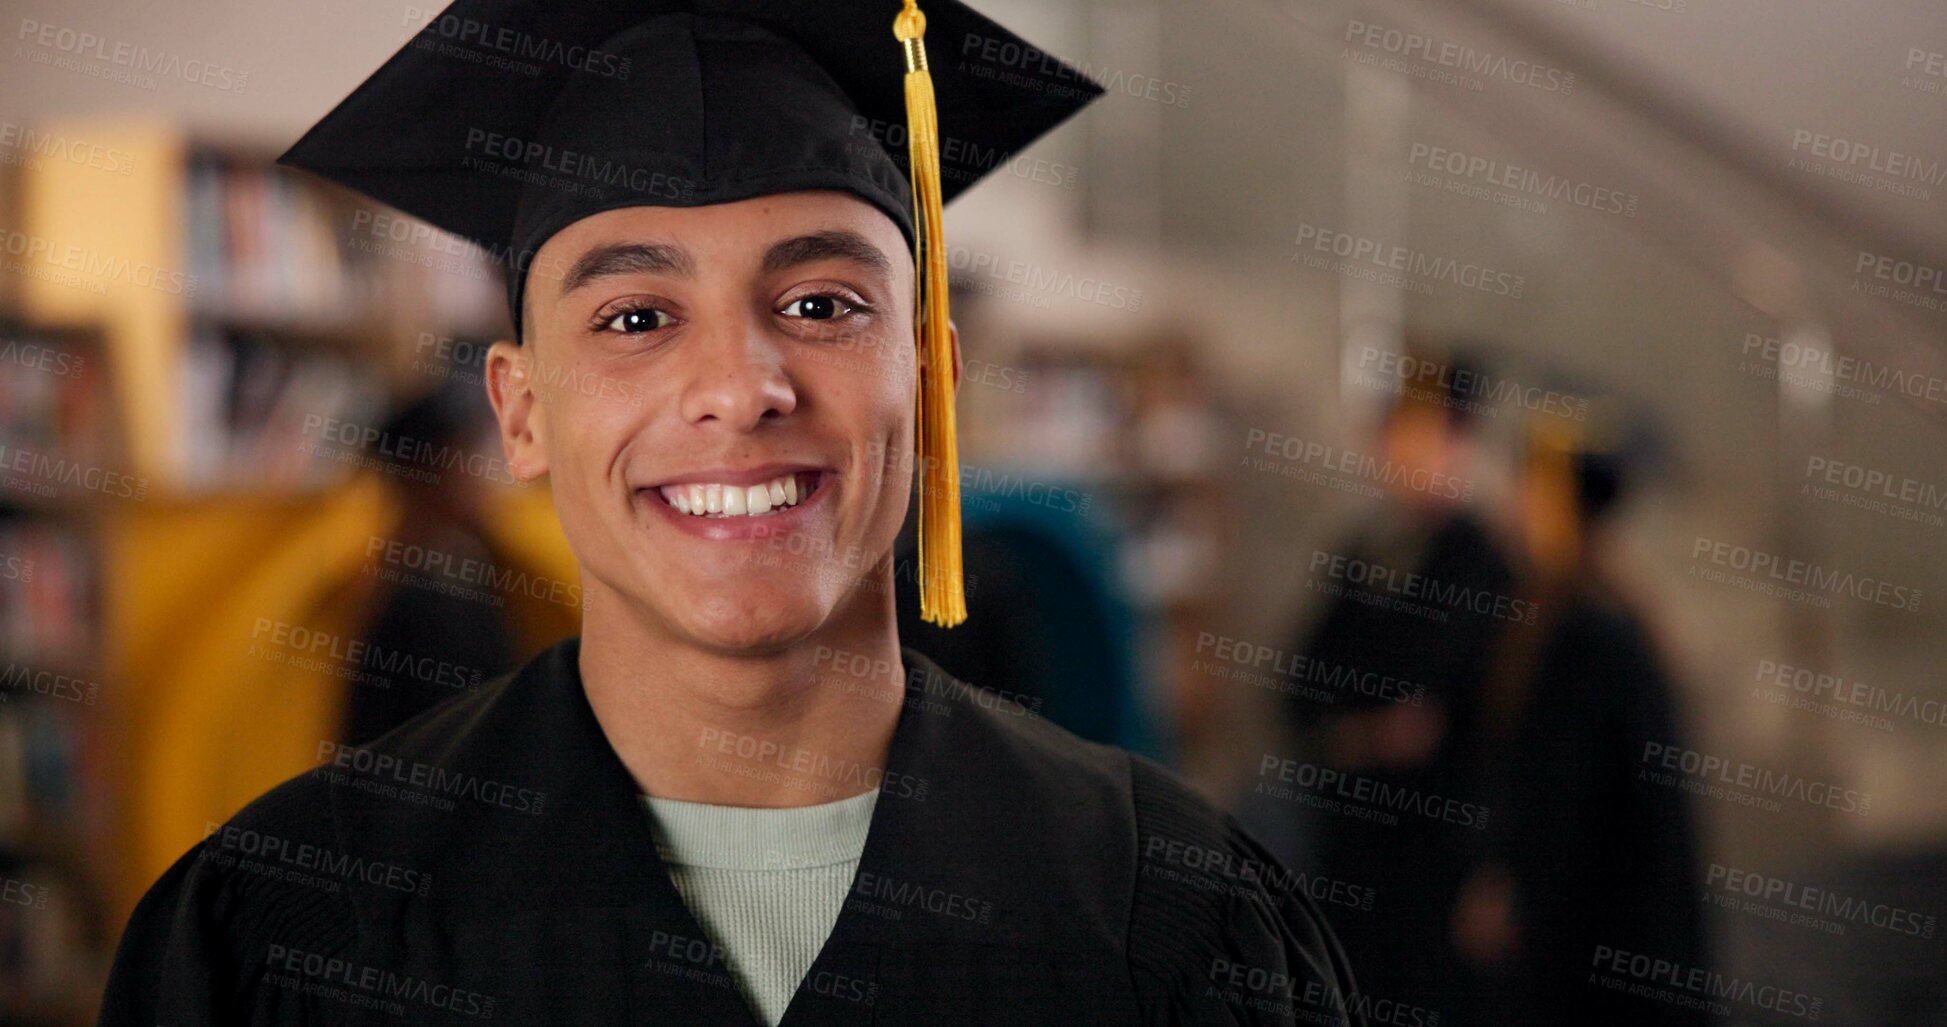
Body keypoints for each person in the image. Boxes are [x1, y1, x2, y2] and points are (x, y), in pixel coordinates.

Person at [97, 2, 1364, 1025]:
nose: (741, 389)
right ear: (522, 410)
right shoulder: (290, 928)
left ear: (935, 380)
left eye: (821, 305)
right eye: (636, 319)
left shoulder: (1176, 916)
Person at [1275, 350, 1518, 1022]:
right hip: (1353, 850)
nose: (1403, 450)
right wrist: (1356, 734)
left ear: (1459, 444)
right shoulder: (1367, 551)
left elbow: (1467, 713)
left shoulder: (1485, 564)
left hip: (1436, 858)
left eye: (1423, 432)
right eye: (1396, 430)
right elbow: (1298, 686)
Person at [1445, 406, 1709, 1026]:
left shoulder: (1595, 632)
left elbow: (1573, 796)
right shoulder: (1552, 613)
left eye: (1534, 489)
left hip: (1606, 938)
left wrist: (1518, 888)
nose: (1518, 505)